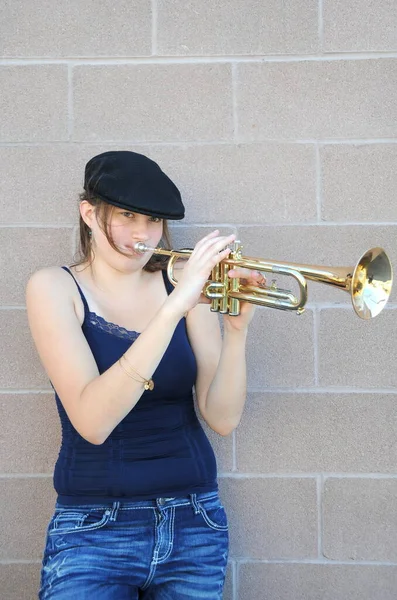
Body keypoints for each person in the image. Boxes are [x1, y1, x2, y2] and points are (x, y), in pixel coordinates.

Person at [26, 150, 265, 600]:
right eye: (127, 215)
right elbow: (94, 422)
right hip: (93, 530)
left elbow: (222, 417)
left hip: (195, 522)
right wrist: (175, 308)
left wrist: (236, 333)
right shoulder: (53, 288)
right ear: (89, 214)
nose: (143, 234)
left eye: (153, 220)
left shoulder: (183, 286)